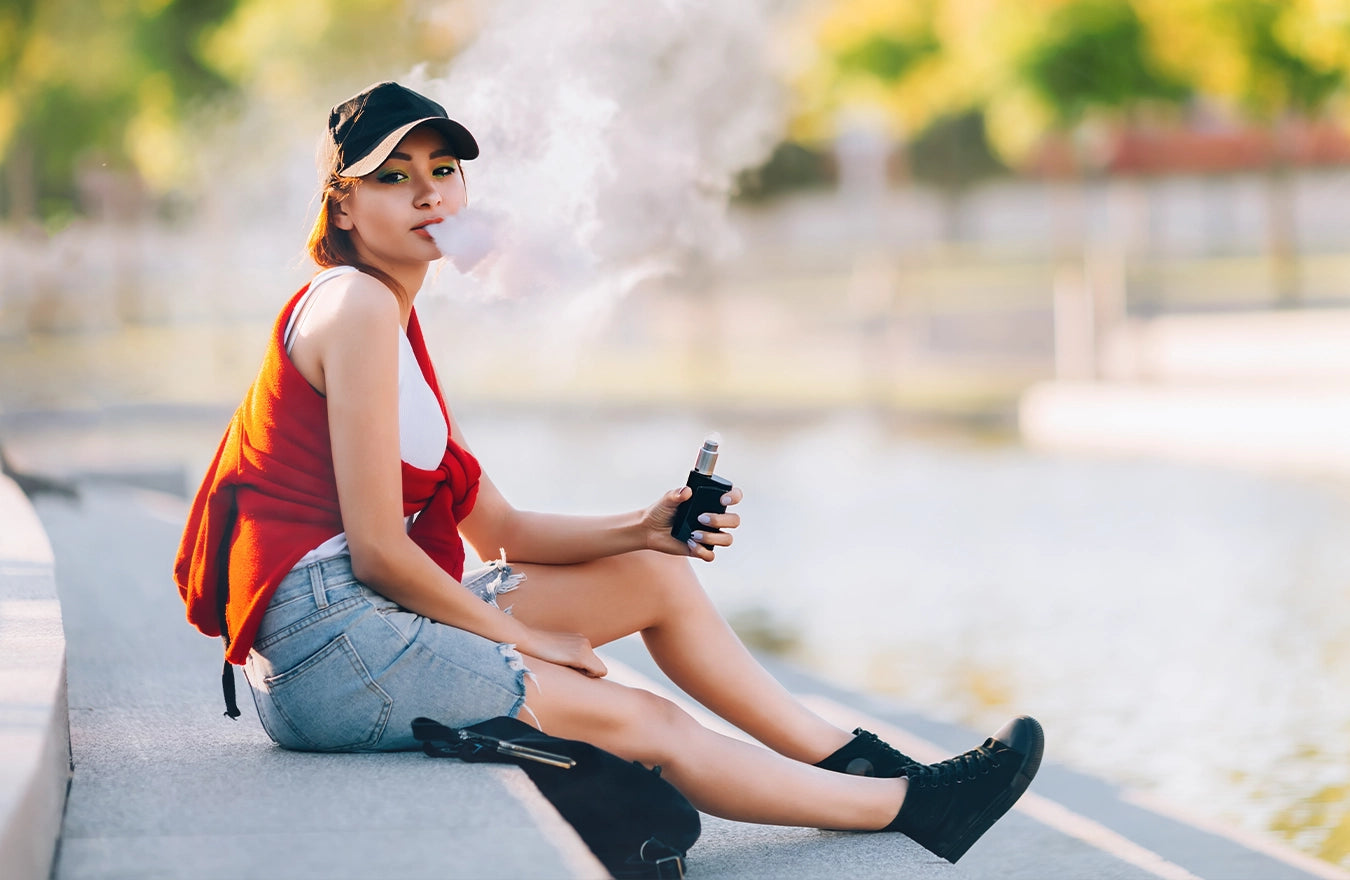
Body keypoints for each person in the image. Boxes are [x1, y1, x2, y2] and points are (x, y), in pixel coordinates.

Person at [174, 80, 1043, 864]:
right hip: (334, 653)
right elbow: (373, 551)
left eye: (443, 169)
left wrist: (647, 525)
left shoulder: (394, 322)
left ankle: (851, 758)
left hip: (354, 629)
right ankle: (910, 806)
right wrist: (525, 638)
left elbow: (501, 530)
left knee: (652, 576)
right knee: (648, 720)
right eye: (393, 176)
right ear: (344, 206)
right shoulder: (355, 305)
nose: (429, 190)